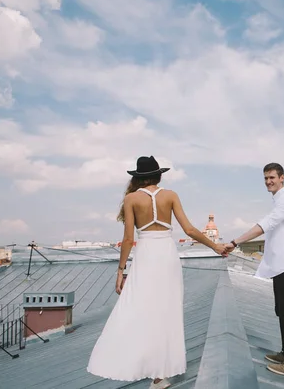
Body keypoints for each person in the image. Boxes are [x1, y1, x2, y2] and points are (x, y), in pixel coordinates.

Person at [87, 156, 228, 389]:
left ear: (137, 177)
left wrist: (120, 271)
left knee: (143, 309)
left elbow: (128, 239)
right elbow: (190, 229)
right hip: (167, 254)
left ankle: (147, 365)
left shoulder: (130, 198)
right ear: (159, 175)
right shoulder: (171, 195)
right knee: (167, 310)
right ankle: (160, 375)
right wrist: (215, 246)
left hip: (145, 255)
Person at [224, 162, 284, 379]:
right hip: (280, 264)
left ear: (282, 178)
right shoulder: (280, 200)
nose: (269, 182)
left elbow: (266, 224)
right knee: (282, 310)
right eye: (266, 178)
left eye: (272, 178)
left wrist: (235, 241)